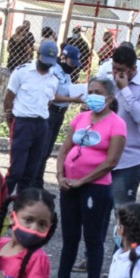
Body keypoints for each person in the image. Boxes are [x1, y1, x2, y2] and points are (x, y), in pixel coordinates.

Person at [45, 77, 125, 278]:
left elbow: (111, 161)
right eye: (90, 91)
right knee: (69, 236)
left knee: (93, 238)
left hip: (95, 188)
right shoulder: (80, 118)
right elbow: (64, 149)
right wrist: (60, 175)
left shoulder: (116, 124)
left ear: (109, 98)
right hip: (69, 185)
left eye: (97, 92)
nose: (92, 96)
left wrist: (82, 181)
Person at [3, 41, 63, 193]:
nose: (47, 65)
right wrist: (12, 124)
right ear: (37, 55)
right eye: (45, 61)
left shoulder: (54, 78)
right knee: (16, 171)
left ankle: (22, 210)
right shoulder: (21, 72)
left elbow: (47, 103)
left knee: (31, 172)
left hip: (42, 125)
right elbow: (8, 100)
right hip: (22, 123)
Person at [106, 45, 140, 208]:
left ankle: (121, 235)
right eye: (114, 69)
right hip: (104, 157)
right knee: (99, 209)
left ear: (133, 68)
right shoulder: (108, 86)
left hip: (128, 161)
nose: (116, 74)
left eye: (121, 70)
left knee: (123, 211)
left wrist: (125, 89)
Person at [37, 44, 86, 188]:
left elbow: (67, 91)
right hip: (51, 112)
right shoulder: (53, 71)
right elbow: (53, 96)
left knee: (46, 151)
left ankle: (38, 183)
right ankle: (34, 184)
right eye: (72, 63)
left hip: (59, 115)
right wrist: (73, 99)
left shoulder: (65, 73)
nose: (74, 67)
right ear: (63, 57)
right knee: (42, 151)